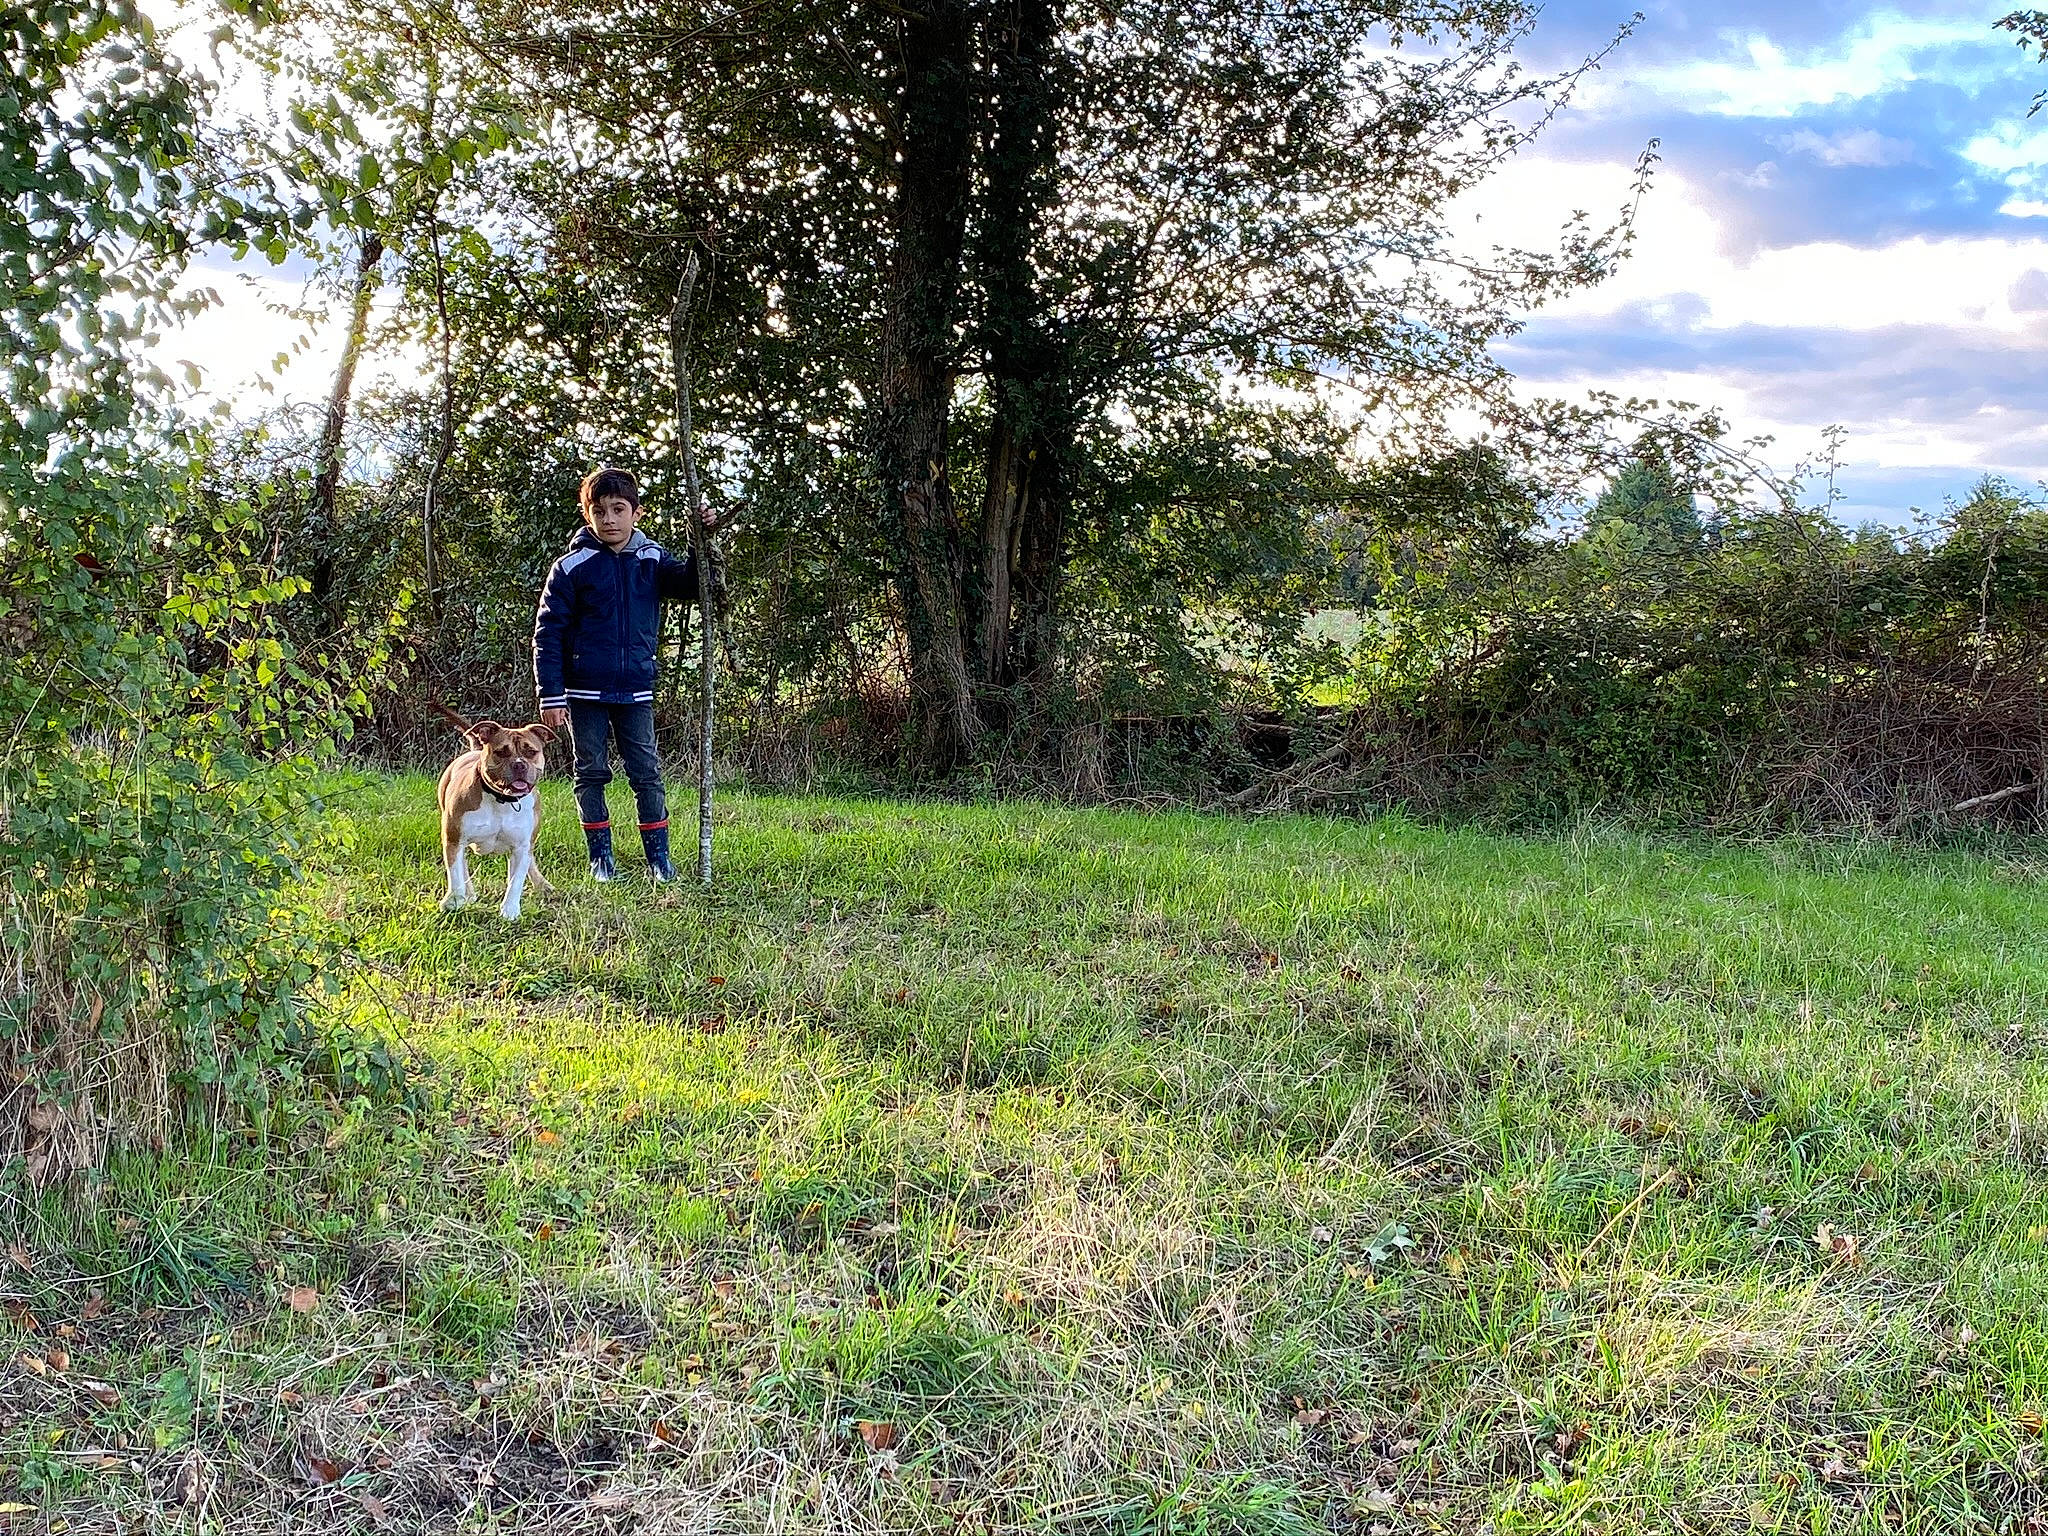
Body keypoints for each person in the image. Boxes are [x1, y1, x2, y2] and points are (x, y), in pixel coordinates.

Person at [534, 467, 714, 883]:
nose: (609, 519)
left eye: (619, 510)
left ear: (637, 513)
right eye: (599, 511)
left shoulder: (651, 559)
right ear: (587, 515)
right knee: (591, 771)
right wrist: (552, 694)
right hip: (583, 693)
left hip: (636, 689)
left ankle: (659, 860)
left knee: (646, 772)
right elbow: (548, 634)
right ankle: (601, 859)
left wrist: (700, 536)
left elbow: (692, 584)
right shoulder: (571, 567)